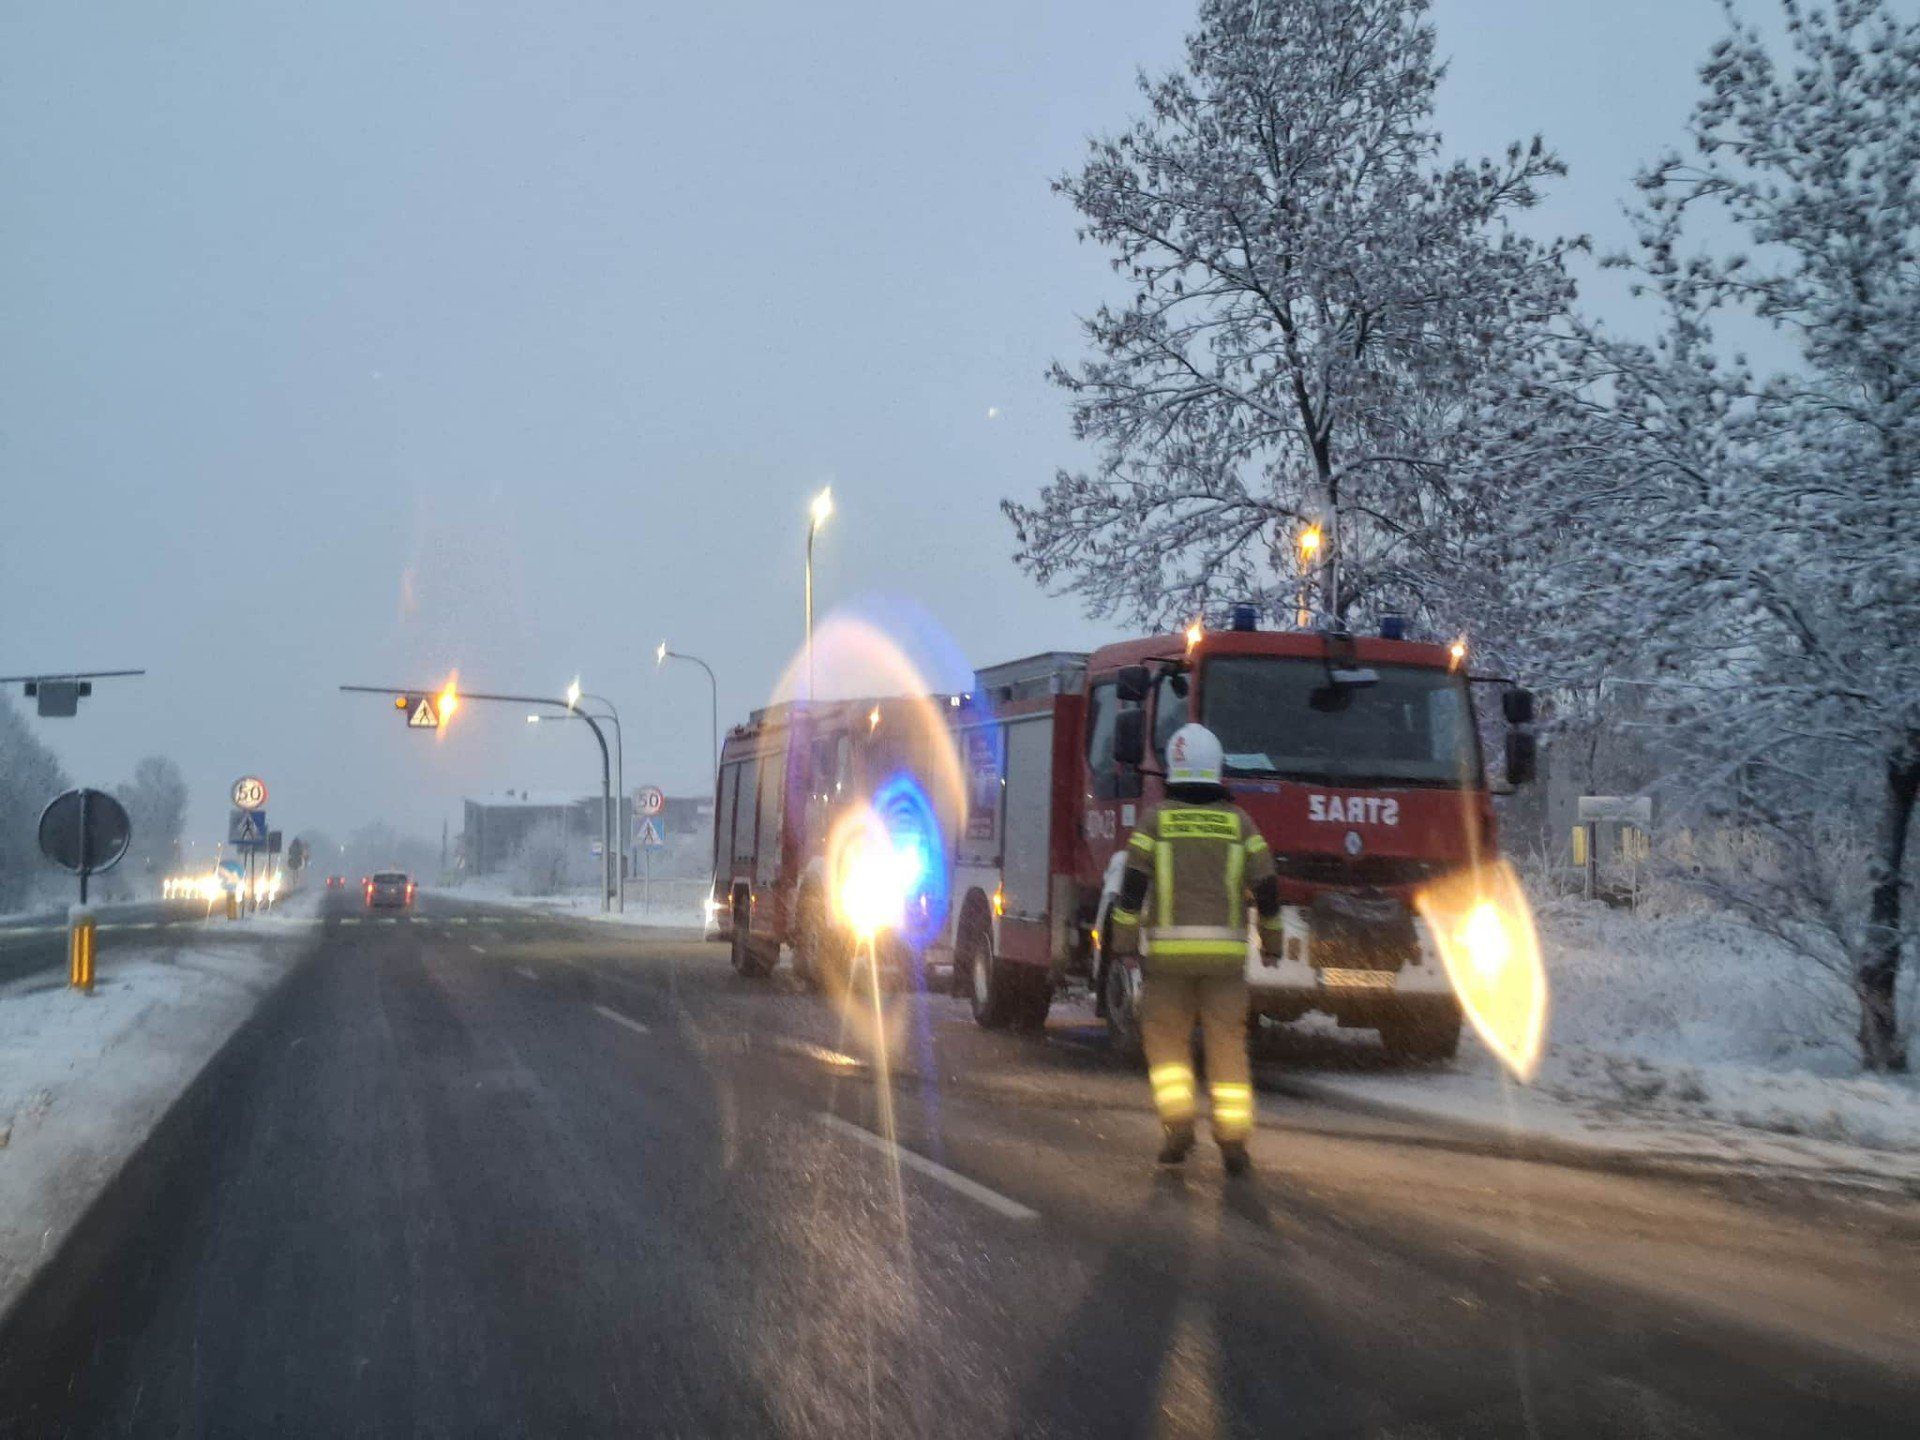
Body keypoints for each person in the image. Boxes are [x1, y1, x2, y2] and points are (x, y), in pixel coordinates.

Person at [1108, 723, 1282, 1175]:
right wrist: (1273, 941)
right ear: (1216, 769)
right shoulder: (1241, 825)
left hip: (1168, 962)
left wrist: (1124, 946)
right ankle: (1233, 1143)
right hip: (1224, 963)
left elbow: (1130, 893)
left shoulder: (1156, 822)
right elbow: (1267, 886)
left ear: (1175, 769)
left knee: (1167, 1045)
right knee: (1227, 1046)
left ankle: (1178, 1126)